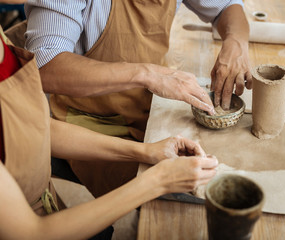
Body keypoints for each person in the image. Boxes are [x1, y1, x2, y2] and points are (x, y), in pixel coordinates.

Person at [0, 1, 218, 238]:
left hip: (44, 197)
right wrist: (157, 181)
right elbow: (32, 233)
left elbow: (37, 127)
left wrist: (145, 151)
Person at [20, 0, 250, 197]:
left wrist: (236, 42)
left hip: (149, 102)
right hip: (88, 119)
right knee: (183, 192)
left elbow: (228, 6)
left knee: (230, 165)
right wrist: (145, 74)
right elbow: (44, 66)